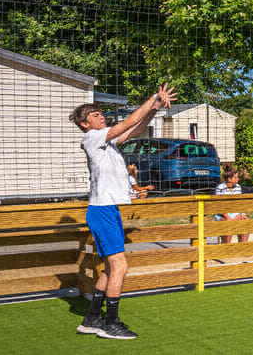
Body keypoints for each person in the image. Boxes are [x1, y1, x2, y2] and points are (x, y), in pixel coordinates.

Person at [70, 83, 176, 340]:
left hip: (109, 208)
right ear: (85, 124)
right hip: (102, 210)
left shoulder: (107, 143)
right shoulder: (93, 138)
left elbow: (134, 128)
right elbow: (128, 120)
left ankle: (92, 319)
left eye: (100, 113)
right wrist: (153, 98)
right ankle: (111, 323)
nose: (101, 116)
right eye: (95, 115)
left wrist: (156, 108)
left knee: (109, 269)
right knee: (120, 267)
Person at [213, 163, 248, 243]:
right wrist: (227, 216)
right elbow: (218, 206)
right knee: (229, 223)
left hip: (235, 212)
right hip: (221, 214)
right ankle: (228, 246)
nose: (238, 179)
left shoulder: (238, 187)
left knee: (246, 221)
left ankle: (243, 246)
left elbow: (239, 203)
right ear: (229, 179)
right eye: (235, 177)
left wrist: (242, 214)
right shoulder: (220, 188)